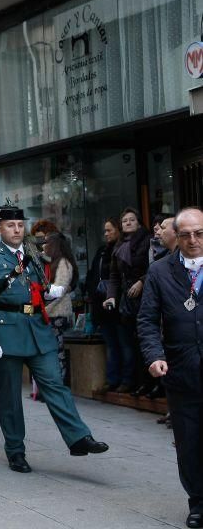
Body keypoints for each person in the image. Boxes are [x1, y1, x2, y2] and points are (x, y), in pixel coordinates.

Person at [0, 202, 108, 473]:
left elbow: (35, 289)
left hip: (37, 327)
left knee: (54, 384)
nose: (17, 230)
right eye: (10, 225)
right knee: (10, 396)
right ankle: (15, 451)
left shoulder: (32, 254)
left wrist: (49, 293)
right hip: (6, 331)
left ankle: (79, 437)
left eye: (20, 225)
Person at [137, 208, 203, 529]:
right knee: (189, 441)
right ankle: (199, 503)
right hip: (181, 370)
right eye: (186, 234)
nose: (193, 240)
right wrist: (154, 355)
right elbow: (147, 319)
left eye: (199, 233)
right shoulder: (160, 271)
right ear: (175, 236)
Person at [104, 207, 151, 396]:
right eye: (125, 221)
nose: (128, 223)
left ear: (138, 223)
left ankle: (151, 383)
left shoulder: (147, 240)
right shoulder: (119, 245)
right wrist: (111, 296)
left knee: (146, 341)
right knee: (131, 343)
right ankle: (138, 381)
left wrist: (142, 281)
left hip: (145, 296)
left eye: (132, 220)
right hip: (127, 300)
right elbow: (114, 275)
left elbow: (155, 266)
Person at [88, 218, 131, 392]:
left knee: (125, 344)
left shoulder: (122, 250)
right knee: (112, 345)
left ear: (118, 230)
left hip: (119, 306)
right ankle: (113, 379)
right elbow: (93, 275)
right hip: (102, 306)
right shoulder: (101, 251)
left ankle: (127, 380)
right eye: (104, 231)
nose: (106, 234)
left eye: (109, 230)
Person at [42, 233, 79, 381]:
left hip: (57, 312)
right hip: (51, 311)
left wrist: (44, 302)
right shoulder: (52, 262)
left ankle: (59, 382)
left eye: (47, 243)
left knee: (57, 349)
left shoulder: (63, 263)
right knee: (53, 349)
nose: (44, 246)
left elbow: (60, 289)